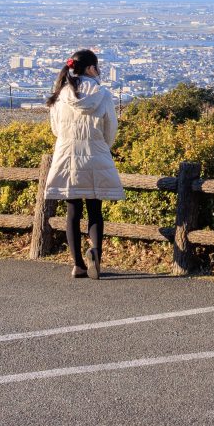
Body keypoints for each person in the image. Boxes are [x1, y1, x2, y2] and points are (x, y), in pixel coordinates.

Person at [43, 48, 124, 279]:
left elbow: (56, 129)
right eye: (97, 67)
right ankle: (96, 257)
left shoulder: (60, 94)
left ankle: (78, 264)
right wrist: (101, 147)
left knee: (73, 211)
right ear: (90, 68)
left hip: (67, 155)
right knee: (95, 210)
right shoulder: (102, 94)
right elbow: (111, 130)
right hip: (96, 153)